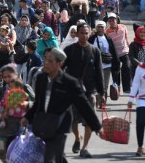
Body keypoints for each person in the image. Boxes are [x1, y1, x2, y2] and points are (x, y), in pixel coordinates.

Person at [21, 47, 102, 163]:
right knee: (57, 156)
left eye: (51, 61)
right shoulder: (41, 79)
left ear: (60, 64)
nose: (47, 63)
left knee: (50, 157)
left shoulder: (69, 82)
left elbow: (84, 105)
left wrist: (97, 127)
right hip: (44, 123)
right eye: (46, 60)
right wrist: (27, 117)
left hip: (60, 125)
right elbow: (38, 103)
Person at [63, 23, 105, 158]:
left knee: (89, 119)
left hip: (90, 91)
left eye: (87, 33)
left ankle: (85, 148)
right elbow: (61, 69)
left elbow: (99, 72)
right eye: (82, 33)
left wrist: (102, 92)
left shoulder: (95, 51)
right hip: (73, 91)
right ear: (77, 34)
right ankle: (77, 138)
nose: (84, 36)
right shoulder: (69, 50)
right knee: (73, 121)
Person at [88, 21, 120, 106]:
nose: (100, 28)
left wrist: (116, 65)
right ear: (96, 28)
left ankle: (103, 103)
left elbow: (113, 52)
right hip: (95, 66)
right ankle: (97, 102)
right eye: (99, 27)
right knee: (96, 84)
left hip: (107, 66)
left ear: (105, 28)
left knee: (104, 85)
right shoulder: (91, 39)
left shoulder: (108, 39)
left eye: (102, 27)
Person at [105, 12, 132, 93]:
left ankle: (127, 88)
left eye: (113, 20)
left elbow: (126, 38)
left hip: (124, 51)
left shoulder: (123, 27)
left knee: (127, 67)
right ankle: (116, 88)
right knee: (115, 71)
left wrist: (129, 47)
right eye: (110, 21)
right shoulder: (107, 32)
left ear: (116, 20)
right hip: (114, 54)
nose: (112, 22)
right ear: (108, 22)